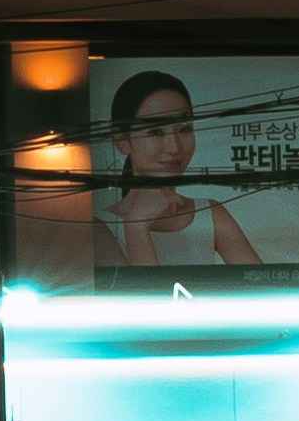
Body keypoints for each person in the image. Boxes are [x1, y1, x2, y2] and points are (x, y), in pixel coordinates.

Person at [95, 70, 267, 272]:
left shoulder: (209, 213)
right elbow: (145, 300)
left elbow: (262, 285)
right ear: (122, 140)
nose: (174, 147)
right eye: (155, 132)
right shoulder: (100, 227)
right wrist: (136, 228)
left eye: (184, 129)